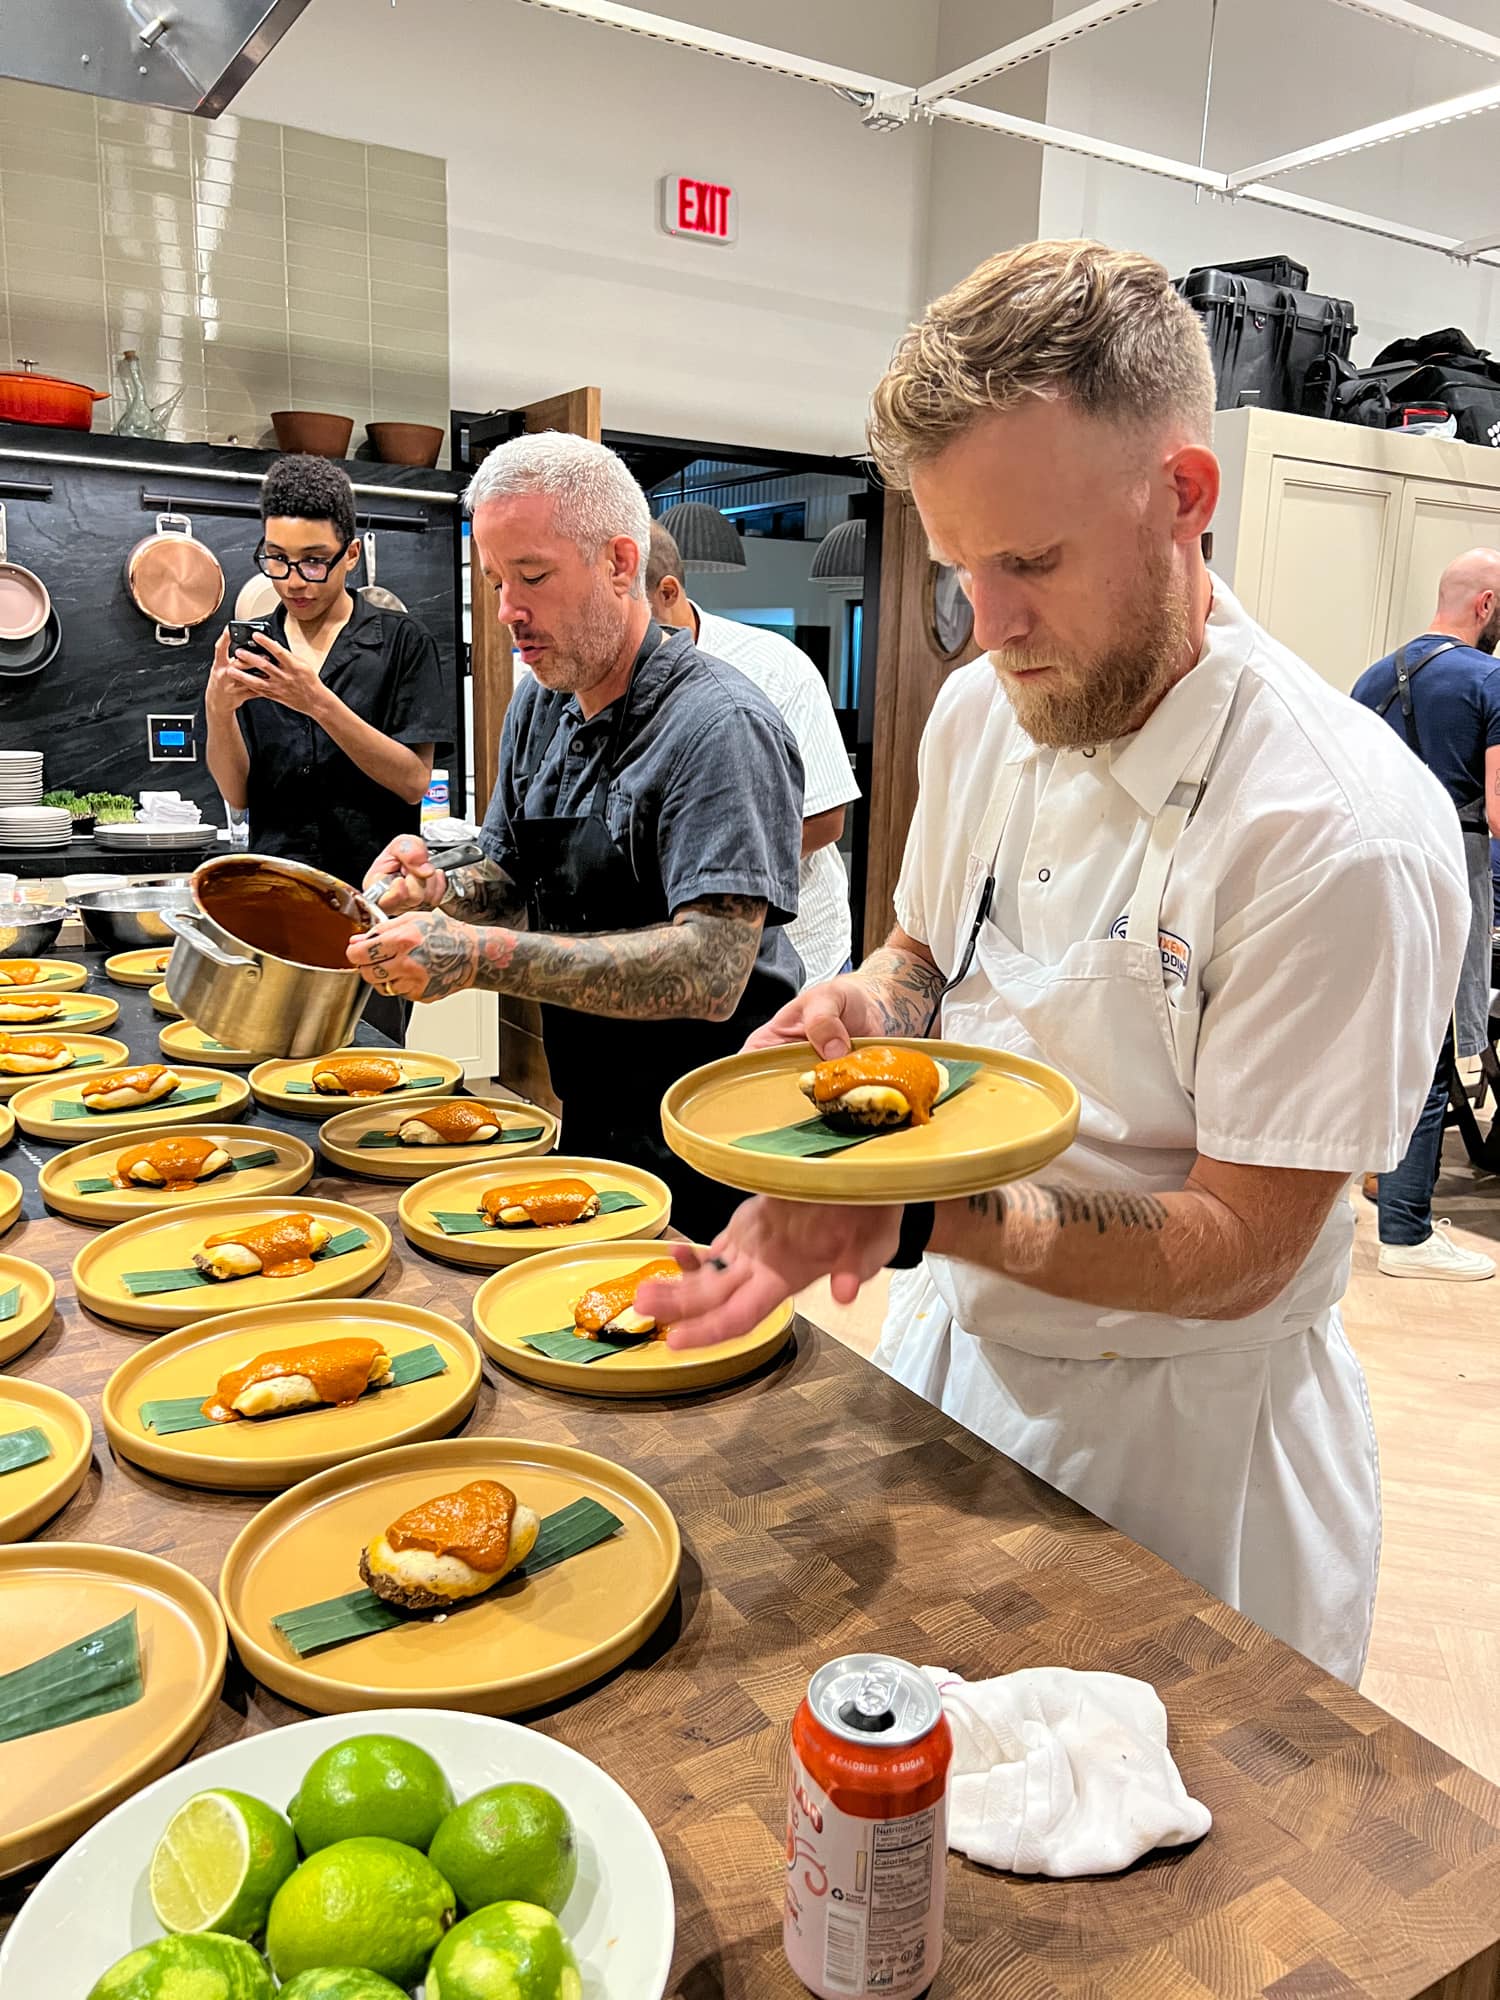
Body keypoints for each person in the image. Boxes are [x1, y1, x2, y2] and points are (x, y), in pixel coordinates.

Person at [638, 240, 1470, 1686]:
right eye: (962, 567)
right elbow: (921, 954)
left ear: (1185, 498)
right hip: (958, 1377)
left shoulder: (1336, 832)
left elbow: (1243, 1249)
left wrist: (904, 1222)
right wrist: (866, 1009)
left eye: (1029, 562)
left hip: (1195, 1453)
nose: (991, 624)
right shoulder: (981, 713)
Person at [348, 432, 805, 1241]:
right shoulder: (541, 703)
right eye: (494, 582)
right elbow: (508, 868)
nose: (507, 612)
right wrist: (442, 888)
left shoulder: (719, 727)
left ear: (621, 564)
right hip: (591, 1106)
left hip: (719, 1136)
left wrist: (479, 958)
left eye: (532, 576)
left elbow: (709, 973)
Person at [1351, 549, 1500, 1280]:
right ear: (1485, 604)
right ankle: (1406, 1231)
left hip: (1373, 879)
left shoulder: (1372, 678)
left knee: (1379, 1043)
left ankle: (1375, 1186)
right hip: (1450, 873)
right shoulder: (1489, 679)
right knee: (1434, 1050)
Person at [205, 453, 449, 894]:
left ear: (351, 554)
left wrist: (316, 701)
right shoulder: (258, 647)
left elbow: (413, 783)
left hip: (375, 897)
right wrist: (217, 710)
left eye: (314, 562)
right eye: (277, 559)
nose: (294, 581)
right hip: (275, 896)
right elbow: (238, 795)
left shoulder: (402, 641)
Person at [646, 521, 861, 983]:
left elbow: (826, 818)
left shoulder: (775, 668)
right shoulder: (613, 685)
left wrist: (711, 871)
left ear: (667, 592)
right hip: (682, 956)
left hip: (800, 954)